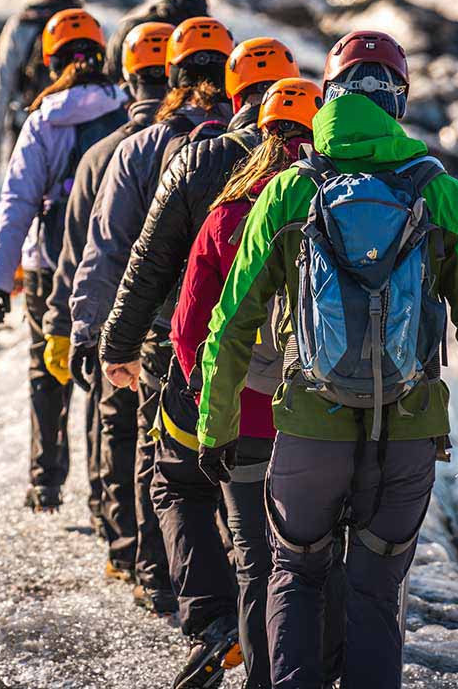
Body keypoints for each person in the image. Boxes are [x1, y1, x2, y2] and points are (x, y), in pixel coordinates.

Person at [197, 30, 458, 689]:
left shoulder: (292, 190)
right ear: (399, 102)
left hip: (308, 426)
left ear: (328, 98)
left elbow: (232, 321)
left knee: (296, 574)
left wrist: (216, 426)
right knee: (375, 595)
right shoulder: (440, 193)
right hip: (408, 431)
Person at [100, 37, 301, 683]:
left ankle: (213, 620)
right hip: (303, 387)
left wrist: (116, 344)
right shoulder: (320, 171)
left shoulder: (199, 160)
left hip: (198, 367)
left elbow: (149, 261)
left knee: (177, 479)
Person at [74, 15, 236, 614]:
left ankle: (156, 573)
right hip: (247, 334)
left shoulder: (137, 149)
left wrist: (97, 331)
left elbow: (117, 250)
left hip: (160, 332)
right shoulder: (256, 144)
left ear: (171, 73)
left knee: (156, 451)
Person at [169, 77, 324, 689]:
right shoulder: (331, 206)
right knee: (317, 566)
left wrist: (216, 402)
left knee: (258, 568)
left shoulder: (228, 215)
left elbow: (188, 329)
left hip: (242, 424)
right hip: (319, 419)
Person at [0, 8, 129, 513]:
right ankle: (103, 491)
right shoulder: (125, 107)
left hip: (48, 264)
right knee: (106, 374)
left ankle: (45, 481)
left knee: (48, 370)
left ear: (51, 61)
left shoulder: (44, 118)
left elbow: (17, 200)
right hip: (111, 260)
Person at [41, 21, 174, 578]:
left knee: (117, 426)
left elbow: (81, 254)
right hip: (177, 324)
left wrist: (69, 324)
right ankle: (161, 557)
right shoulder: (196, 146)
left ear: (127, 77)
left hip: (122, 323)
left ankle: (122, 544)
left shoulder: (102, 155)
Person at [0, 0, 84, 173]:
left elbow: (2, 80)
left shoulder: (22, 23)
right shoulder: (87, 26)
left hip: (27, 124)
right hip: (77, 130)